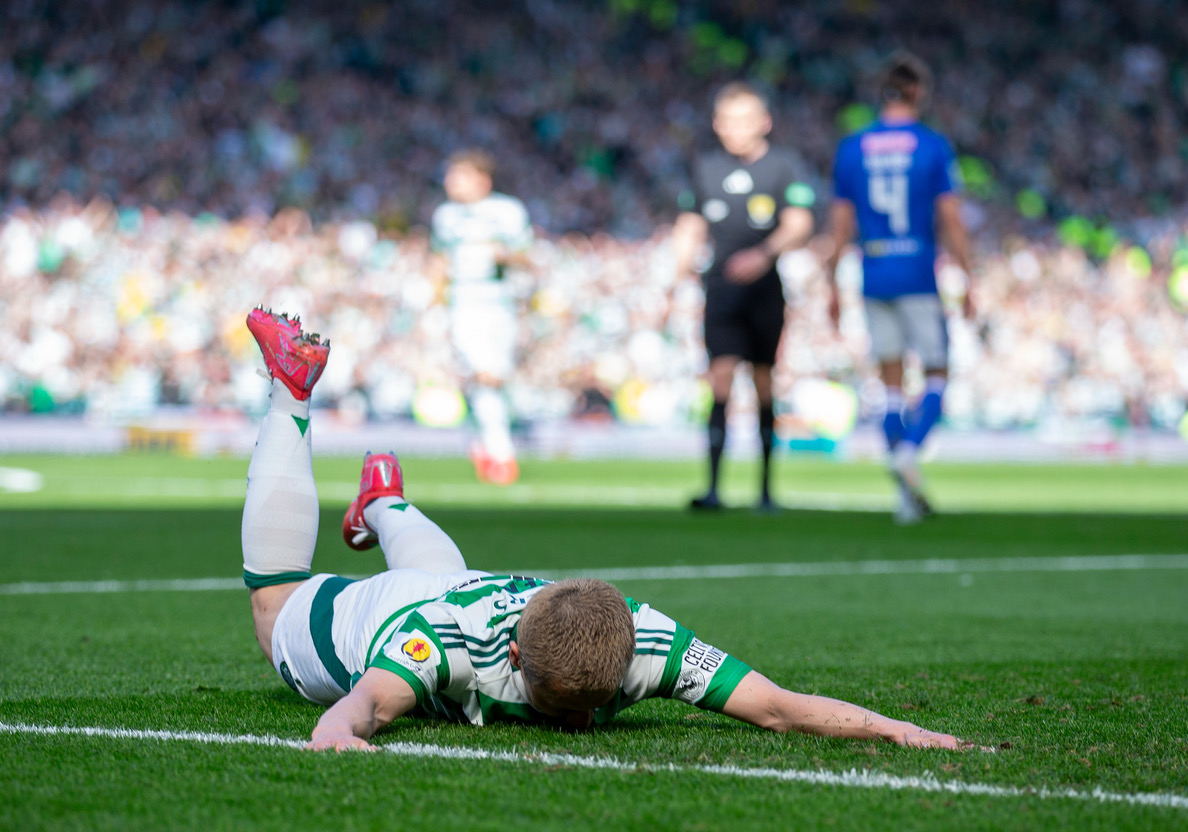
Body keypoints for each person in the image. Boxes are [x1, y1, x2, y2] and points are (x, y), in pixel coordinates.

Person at [241, 306, 963, 751]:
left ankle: (383, 501)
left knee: (442, 576)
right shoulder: (441, 644)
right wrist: (336, 734)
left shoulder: (645, 637)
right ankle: (292, 393)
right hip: (389, 613)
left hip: (454, 585)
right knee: (274, 609)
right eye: (562, 711)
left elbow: (779, 708)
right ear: (514, 653)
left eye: (588, 709)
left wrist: (900, 729)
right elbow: (361, 706)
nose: (580, 727)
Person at [824, 52, 975, 525]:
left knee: (889, 381)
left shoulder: (852, 148)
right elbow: (949, 217)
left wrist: (832, 282)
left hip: (874, 272)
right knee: (936, 372)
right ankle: (907, 452)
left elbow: (841, 222)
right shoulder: (932, 146)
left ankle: (905, 497)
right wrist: (967, 275)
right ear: (918, 93)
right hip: (917, 273)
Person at [671, 83, 817, 512]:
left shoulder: (783, 166)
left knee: (763, 381)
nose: (736, 129)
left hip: (765, 289)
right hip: (720, 288)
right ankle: (713, 487)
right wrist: (677, 275)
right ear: (717, 124)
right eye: (729, 121)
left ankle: (766, 491)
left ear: (764, 122)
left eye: (745, 120)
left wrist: (763, 254)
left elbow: (799, 223)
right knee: (719, 376)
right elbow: (690, 225)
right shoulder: (705, 168)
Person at [429, 150, 534, 485]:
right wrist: (433, 304)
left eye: (458, 175)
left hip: (500, 303)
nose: (450, 182)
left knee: (492, 378)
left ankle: (482, 446)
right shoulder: (445, 216)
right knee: (483, 373)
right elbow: (439, 262)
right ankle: (502, 455)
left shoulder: (507, 211)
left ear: (482, 180)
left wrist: (504, 255)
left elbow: (527, 256)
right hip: (464, 302)